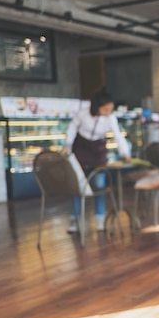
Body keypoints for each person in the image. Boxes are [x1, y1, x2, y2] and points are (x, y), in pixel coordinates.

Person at [62, 89, 131, 232]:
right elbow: (72, 128)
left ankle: (100, 219)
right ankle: (74, 221)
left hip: (98, 152)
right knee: (78, 186)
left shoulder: (111, 118)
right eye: (105, 109)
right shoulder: (82, 114)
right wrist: (67, 145)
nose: (108, 111)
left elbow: (118, 135)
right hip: (81, 150)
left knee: (99, 186)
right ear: (96, 106)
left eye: (110, 109)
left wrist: (124, 153)